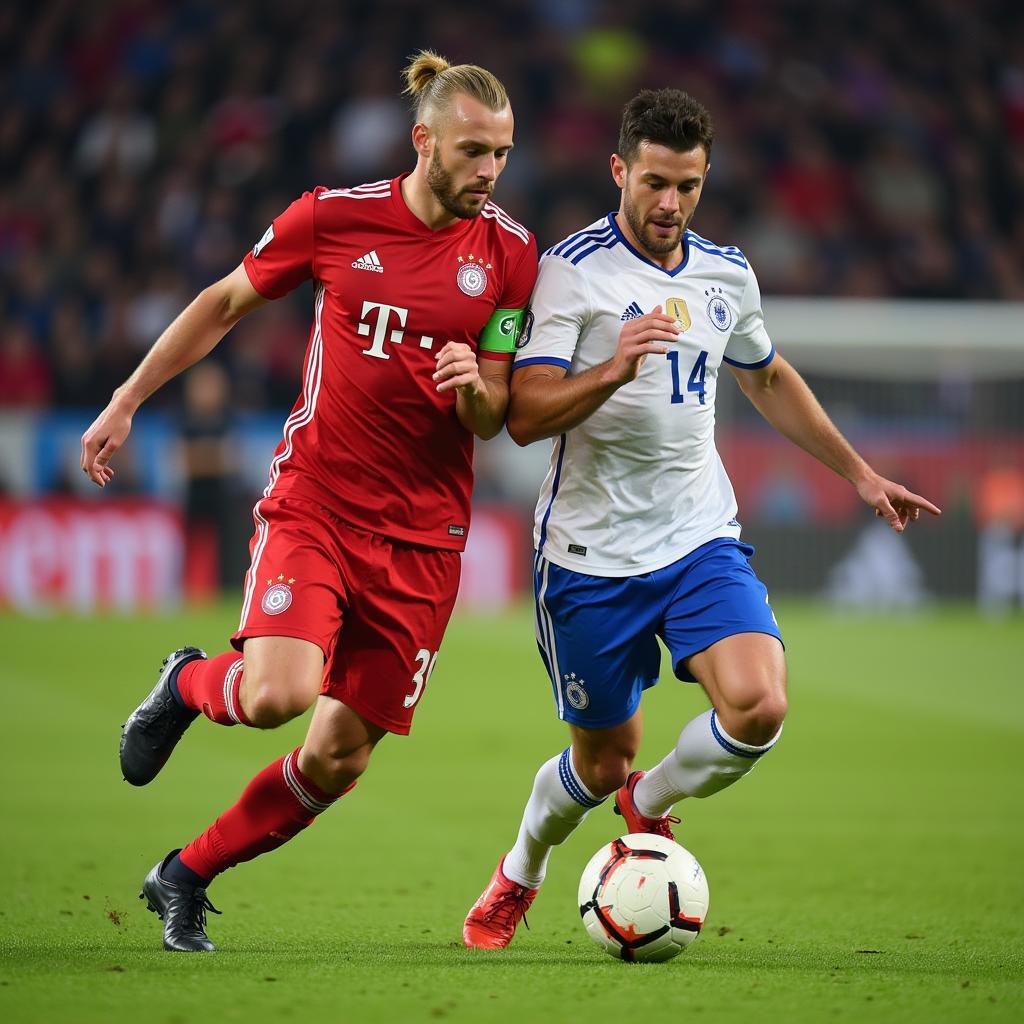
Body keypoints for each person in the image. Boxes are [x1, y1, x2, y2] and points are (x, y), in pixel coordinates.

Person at [462, 88, 941, 950]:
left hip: (696, 539)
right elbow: (525, 416)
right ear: (619, 171)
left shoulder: (728, 274)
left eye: (687, 185)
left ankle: (647, 804)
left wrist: (863, 474)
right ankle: (522, 868)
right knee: (598, 757)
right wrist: (610, 371)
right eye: (653, 183)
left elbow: (765, 378)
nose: (669, 204)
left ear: (705, 177)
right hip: (587, 553)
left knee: (759, 707)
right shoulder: (572, 271)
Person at [80, 51, 537, 952]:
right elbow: (221, 304)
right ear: (424, 141)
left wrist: (471, 387)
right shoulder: (332, 216)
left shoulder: (512, 256)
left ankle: (185, 873)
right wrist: (128, 399)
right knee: (276, 695)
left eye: (503, 154)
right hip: (318, 505)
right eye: (474, 151)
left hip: (426, 540)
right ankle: (185, 682)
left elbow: (494, 407)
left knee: (337, 757)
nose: (490, 172)